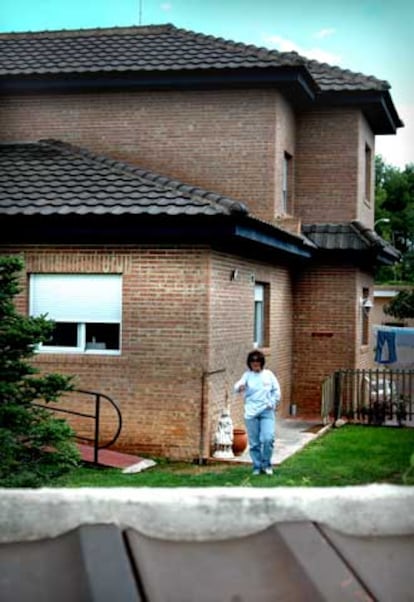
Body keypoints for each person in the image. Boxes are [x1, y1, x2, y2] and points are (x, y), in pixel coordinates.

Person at [234, 350, 281, 476]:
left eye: (257, 361)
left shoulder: (269, 374)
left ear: (262, 362)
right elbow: (237, 385)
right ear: (249, 363)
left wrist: (272, 403)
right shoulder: (247, 376)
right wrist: (240, 387)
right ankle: (257, 466)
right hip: (251, 413)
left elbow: (276, 391)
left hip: (266, 411)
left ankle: (266, 464)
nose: (255, 364)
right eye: (253, 361)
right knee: (254, 443)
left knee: (267, 438)